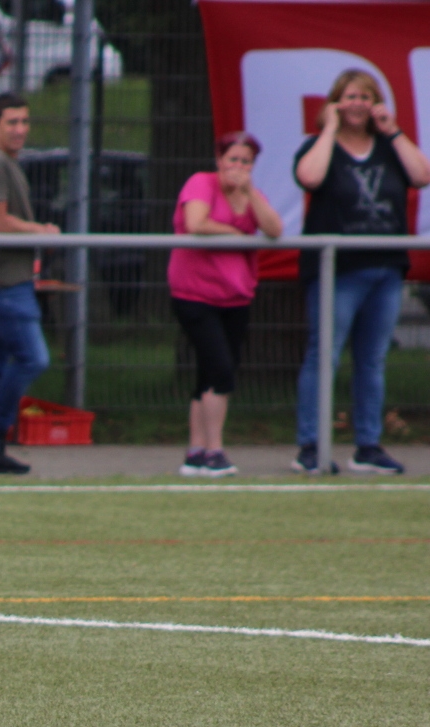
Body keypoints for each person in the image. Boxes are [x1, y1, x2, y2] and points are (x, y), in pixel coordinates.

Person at [291, 69, 429, 476]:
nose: (358, 104)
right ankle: (311, 445)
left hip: (385, 268)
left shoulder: (387, 147)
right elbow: (309, 177)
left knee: (372, 360)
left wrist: (393, 131)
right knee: (324, 354)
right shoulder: (319, 146)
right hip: (338, 269)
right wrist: (329, 129)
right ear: (336, 102)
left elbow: (422, 175)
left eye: (365, 97)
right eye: (350, 97)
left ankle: (368, 444)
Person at [168, 131, 282, 478]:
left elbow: (274, 229)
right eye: (233, 159)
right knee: (220, 369)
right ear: (219, 160)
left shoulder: (251, 194)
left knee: (209, 371)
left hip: (235, 295)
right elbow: (196, 223)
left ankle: (196, 452)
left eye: (246, 161)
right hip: (195, 293)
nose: (238, 167)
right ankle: (215, 451)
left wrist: (250, 194)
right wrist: (234, 234)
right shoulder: (201, 183)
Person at [0, 92, 59, 476]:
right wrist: (41, 231)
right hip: (2, 282)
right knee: (33, 358)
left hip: (1, 278)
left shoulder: (3, 160)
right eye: (11, 122)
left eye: (24, 122)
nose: (20, 130)